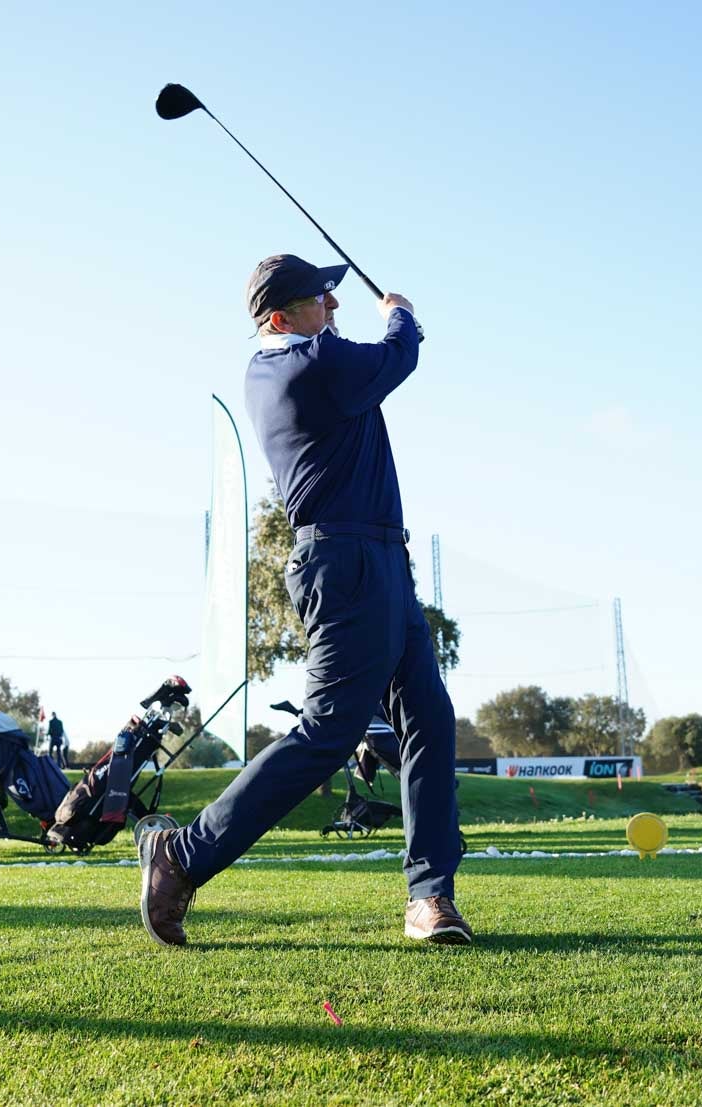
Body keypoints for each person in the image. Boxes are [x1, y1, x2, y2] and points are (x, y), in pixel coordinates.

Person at [139, 254, 467, 946]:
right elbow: (399, 354)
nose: (335, 305)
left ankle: (430, 896)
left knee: (429, 719)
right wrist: (400, 311)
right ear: (282, 317)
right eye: (323, 298)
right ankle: (182, 855)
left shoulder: (298, 357)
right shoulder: (303, 364)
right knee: (328, 732)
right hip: (343, 562)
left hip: (380, 558)